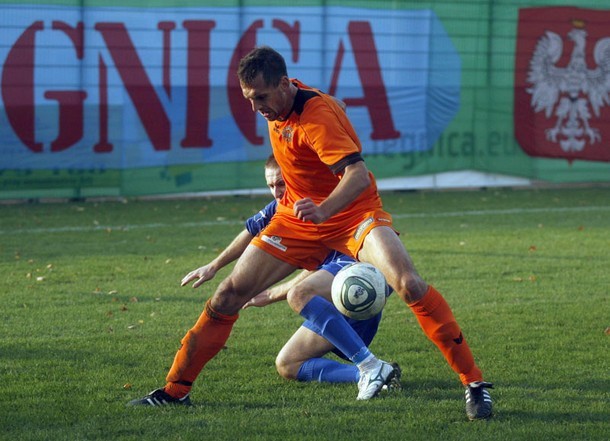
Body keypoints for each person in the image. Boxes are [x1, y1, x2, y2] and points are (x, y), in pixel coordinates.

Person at [129, 46, 493, 420]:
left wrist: (324, 209)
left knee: (409, 284)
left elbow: (357, 175)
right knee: (228, 295)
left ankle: (474, 384)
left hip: (352, 214)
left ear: (284, 84)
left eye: (261, 98)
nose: (256, 109)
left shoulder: (315, 116)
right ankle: (175, 391)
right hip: (296, 219)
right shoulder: (291, 99)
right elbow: (333, 104)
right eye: (249, 100)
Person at [182, 155, 397, 385]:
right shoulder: (281, 206)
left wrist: (274, 293)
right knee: (288, 364)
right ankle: (377, 374)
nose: (276, 192)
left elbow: (323, 268)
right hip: (337, 288)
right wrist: (214, 266)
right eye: (271, 186)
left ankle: (369, 367)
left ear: (295, 176)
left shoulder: (321, 204)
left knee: (301, 293)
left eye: (281, 184)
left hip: (360, 275)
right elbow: (252, 230)